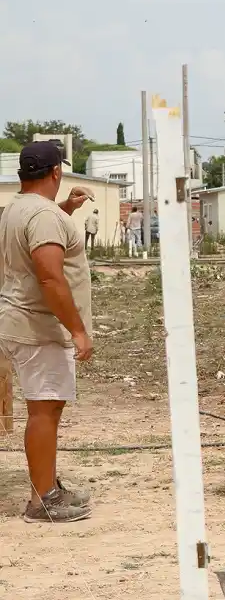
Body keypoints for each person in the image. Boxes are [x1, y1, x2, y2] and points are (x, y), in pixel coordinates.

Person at [0, 142, 96, 523]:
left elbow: (35, 236)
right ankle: (43, 500)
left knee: (47, 406)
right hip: (38, 325)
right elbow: (50, 276)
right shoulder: (42, 216)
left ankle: (48, 487)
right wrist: (78, 330)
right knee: (44, 408)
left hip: (21, 320)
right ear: (56, 172)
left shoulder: (18, 208)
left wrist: (66, 210)